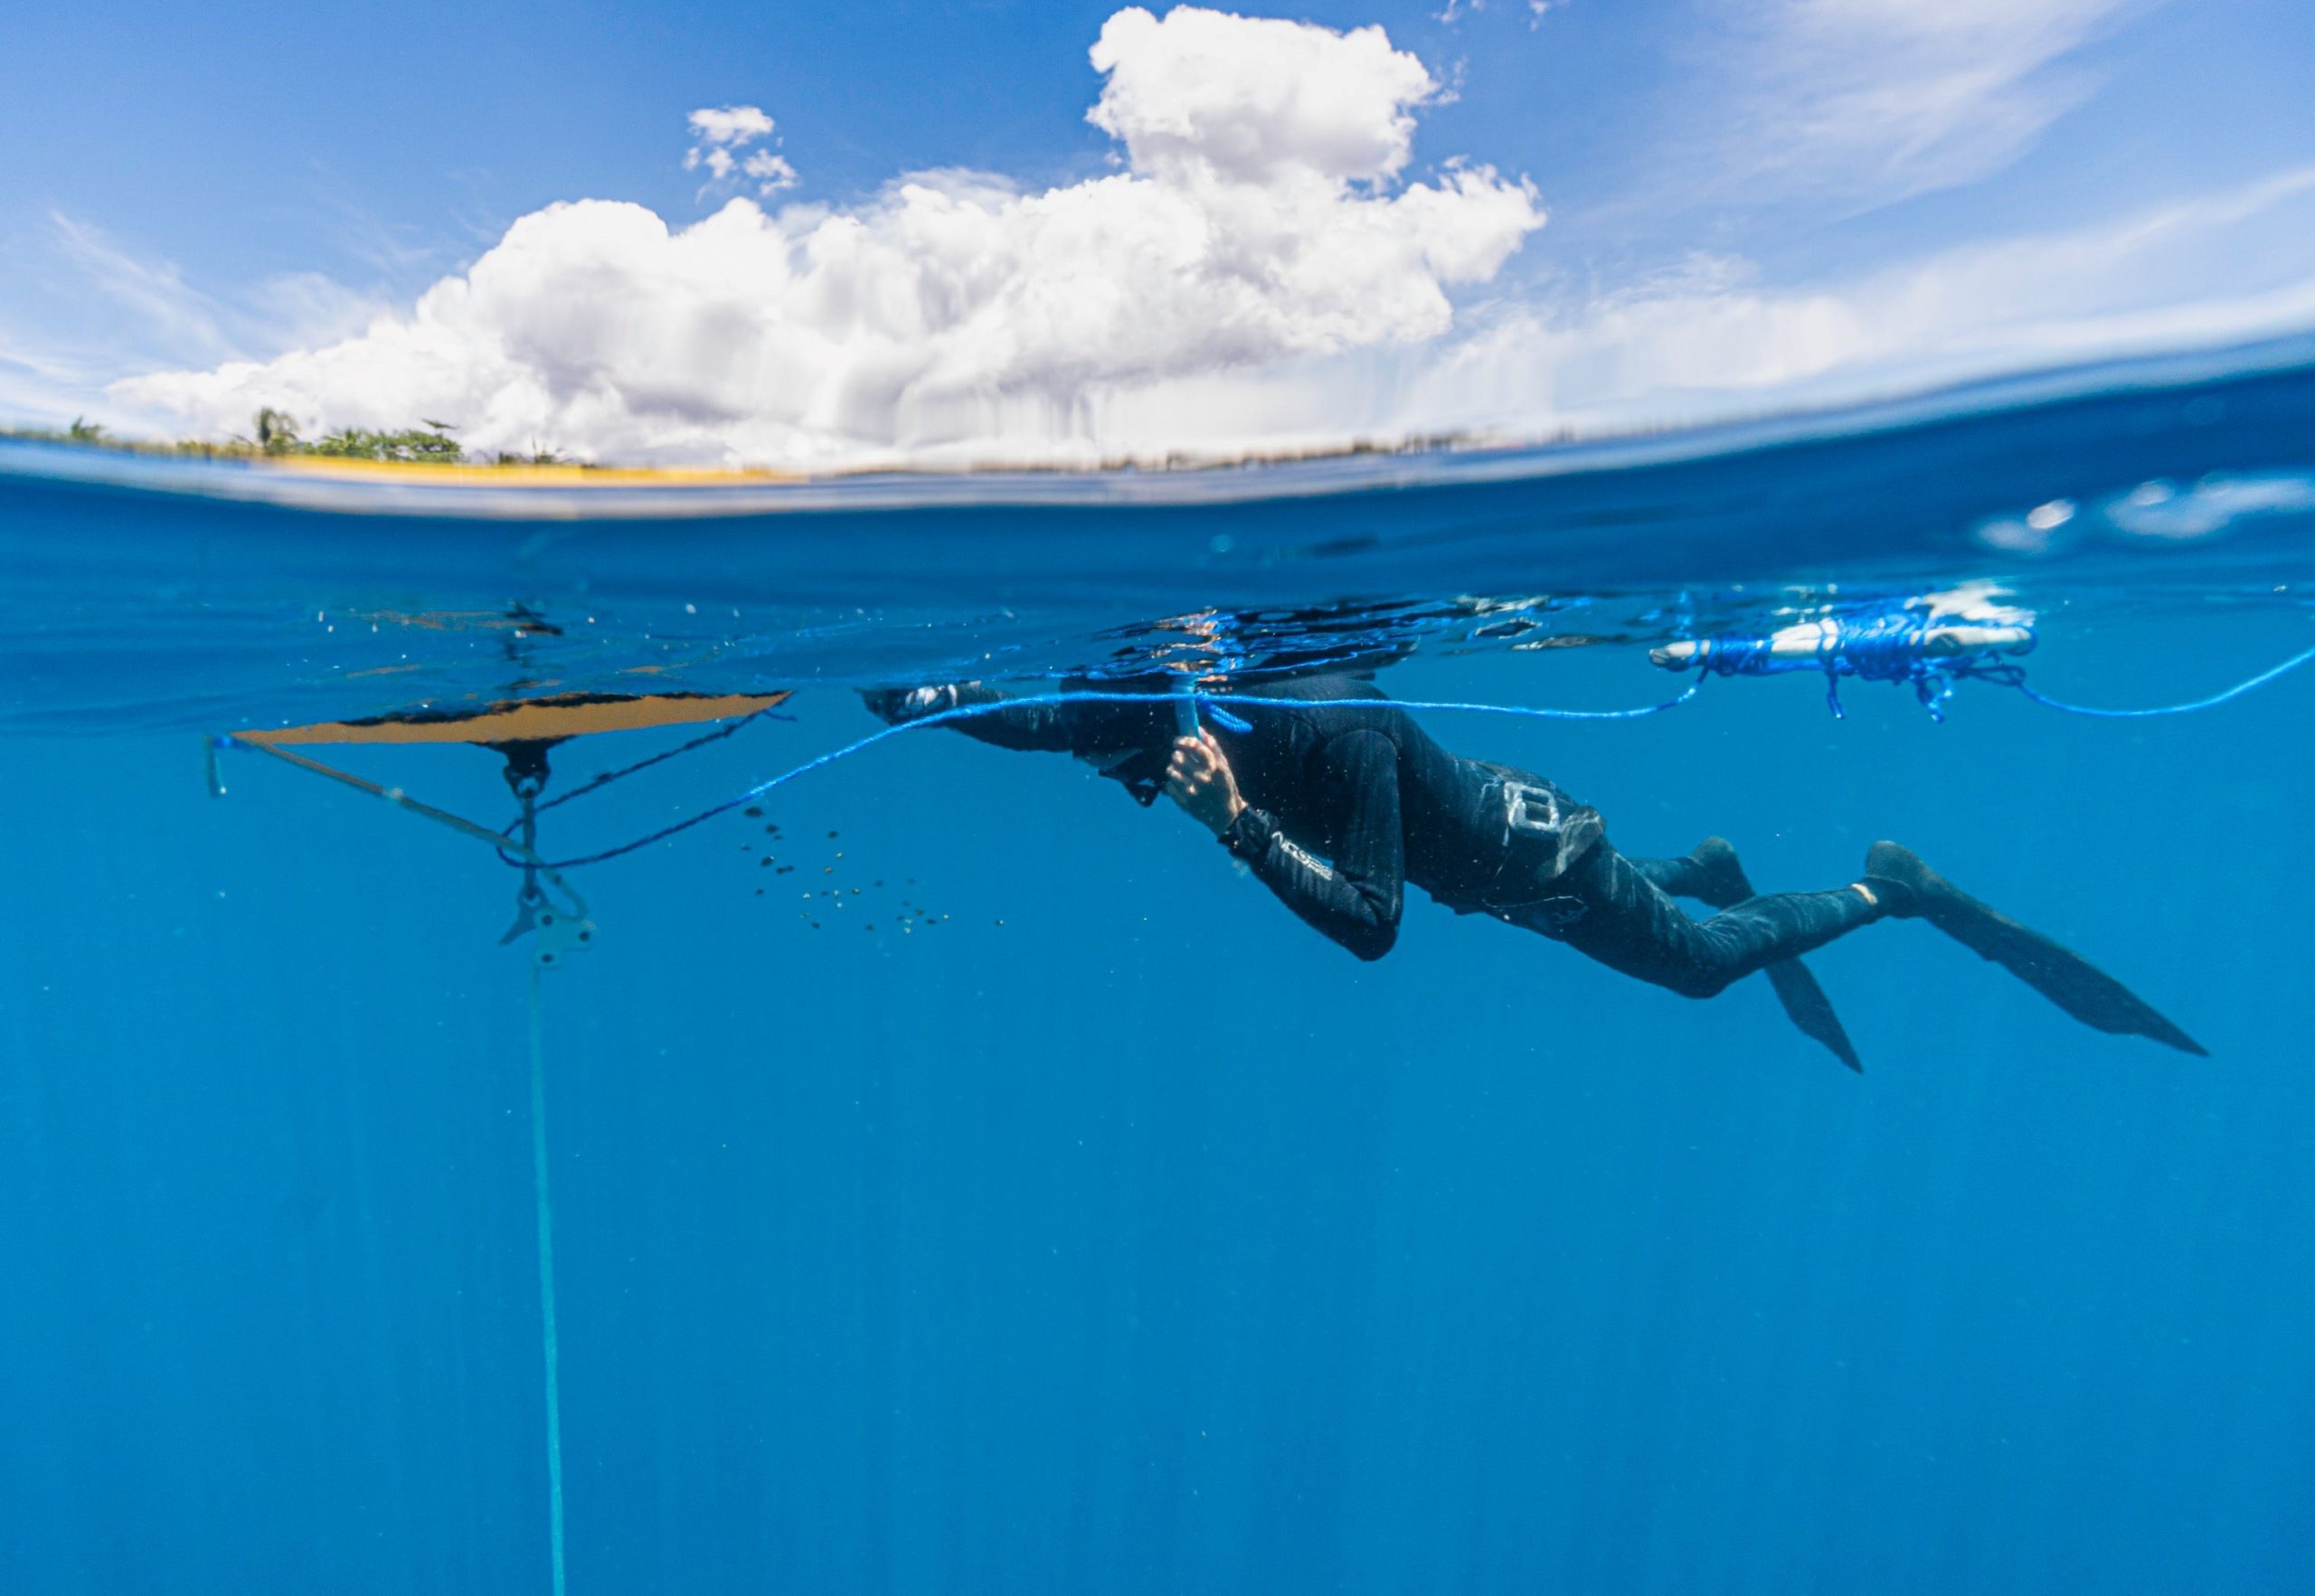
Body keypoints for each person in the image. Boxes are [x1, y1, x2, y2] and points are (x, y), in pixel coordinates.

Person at [867, 669, 2202, 1066]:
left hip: (1536, 854)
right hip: (1502, 858)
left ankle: (1888, 886)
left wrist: (1234, 828)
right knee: (1641, 899)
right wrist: (910, 696)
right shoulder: (1173, 705)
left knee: (1695, 971)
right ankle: (1709, 857)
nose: (1139, 761)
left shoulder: (1343, 736)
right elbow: (1044, 720)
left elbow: (1379, 926)